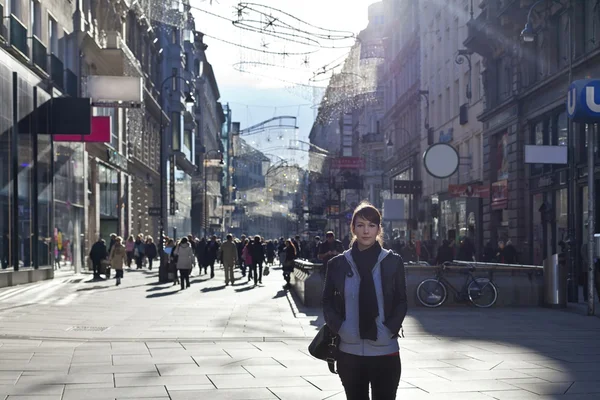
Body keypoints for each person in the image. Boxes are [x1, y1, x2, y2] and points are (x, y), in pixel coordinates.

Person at [322, 202, 407, 399]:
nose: (366, 231)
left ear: (378, 229)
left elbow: (402, 300)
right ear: (353, 228)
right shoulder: (338, 264)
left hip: (385, 350)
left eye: (371, 225)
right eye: (360, 225)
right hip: (349, 352)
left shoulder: (393, 262)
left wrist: (389, 329)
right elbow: (327, 301)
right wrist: (341, 328)